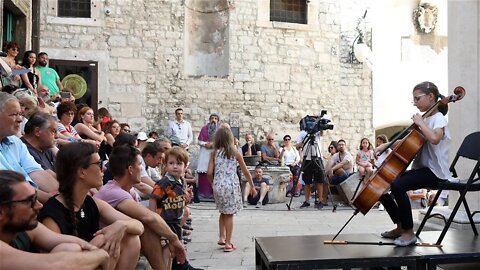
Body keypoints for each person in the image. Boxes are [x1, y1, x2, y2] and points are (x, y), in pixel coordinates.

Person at [38, 142, 144, 270]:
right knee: (103, 240)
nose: (104, 168)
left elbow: (139, 226)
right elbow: (55, 262)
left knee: (130, 237)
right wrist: (98, 245)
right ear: (82, 172)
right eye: (99, 164)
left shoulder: (91, 203)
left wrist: (122, 225)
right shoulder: (52, 214)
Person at [377, 81, 451, 247]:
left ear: (430, 97)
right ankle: (401, 226)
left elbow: (434, 138)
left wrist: (421, 123)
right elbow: (406, 141)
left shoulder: (438, 119)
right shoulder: (424, 119)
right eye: (414, 100)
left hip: (435, 171)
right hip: (422, 169)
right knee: (382, 185)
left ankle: (409, 233)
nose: (415, 103)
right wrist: (384, 146)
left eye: (417, 99)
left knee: (398, 185)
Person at [94, 145, 187, 270]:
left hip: (117, 242)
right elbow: (148, 217)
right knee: (149, 226)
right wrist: (174, 238)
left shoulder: (128, 190)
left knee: (159, 230)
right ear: (131, 169)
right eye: (139, 164)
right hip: (107, 244)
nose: (142, 168)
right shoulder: (113, 192)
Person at [0, 170, 109, 269]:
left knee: (72, 248)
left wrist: (96, 251)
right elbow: (57, 265)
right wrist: (100, 255)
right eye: (30, 201)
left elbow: (71, 242)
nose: (39, 205)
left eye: (36, 198)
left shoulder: (27, 227)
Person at [150, 146, 203, 269]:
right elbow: (153, 197)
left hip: (175, 220)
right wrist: (153, 216)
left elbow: (178, 201)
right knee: (168, 250)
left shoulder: (181, 181)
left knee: (174, 249)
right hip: (165, 221)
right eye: (171, 163)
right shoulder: (164, 182)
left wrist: (186, 200)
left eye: (179, 163)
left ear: (185, 166)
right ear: (166, 165)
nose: (175, 166)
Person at [0, 92, 58, 203]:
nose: (20, 119)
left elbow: (37, 173)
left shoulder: (16, 142)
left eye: (20, 114)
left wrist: (65, 198)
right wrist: (55, 203)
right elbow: (11, 188)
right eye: (13, 114)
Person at [207, 127, 256, 252]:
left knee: (222, 211)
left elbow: (209, 172)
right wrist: (252, 186)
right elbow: (245, 171)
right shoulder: (235, 152)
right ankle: (228, 243)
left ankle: (222, 237)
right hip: (231, 186)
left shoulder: (214, 153)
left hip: (218, 185)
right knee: (229, 215)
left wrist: (213, 184)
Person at [296, 129, 327, 209]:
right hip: (307, 158)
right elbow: (297, 146)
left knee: (319, 180)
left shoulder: (317, 132)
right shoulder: (303, 133)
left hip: (317, 158)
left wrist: (321, 126)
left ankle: (320, 201)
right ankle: (307, 201)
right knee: (307, 181)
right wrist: (306, 139)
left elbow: (322, 133)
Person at [196, 113, 219, 201]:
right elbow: (199, 141)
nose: (214, 120)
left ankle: (213, 193)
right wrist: (205, 144)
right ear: (209, 119)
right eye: (212, 118)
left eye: (215, 118)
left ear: (217, 120)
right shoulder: (204, 128)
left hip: (214, 152)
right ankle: (203, 193)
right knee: (203, 170)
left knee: (213, 171)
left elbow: (220, 141)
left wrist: (213, 144)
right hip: (205, 152)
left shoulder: (219, 130)